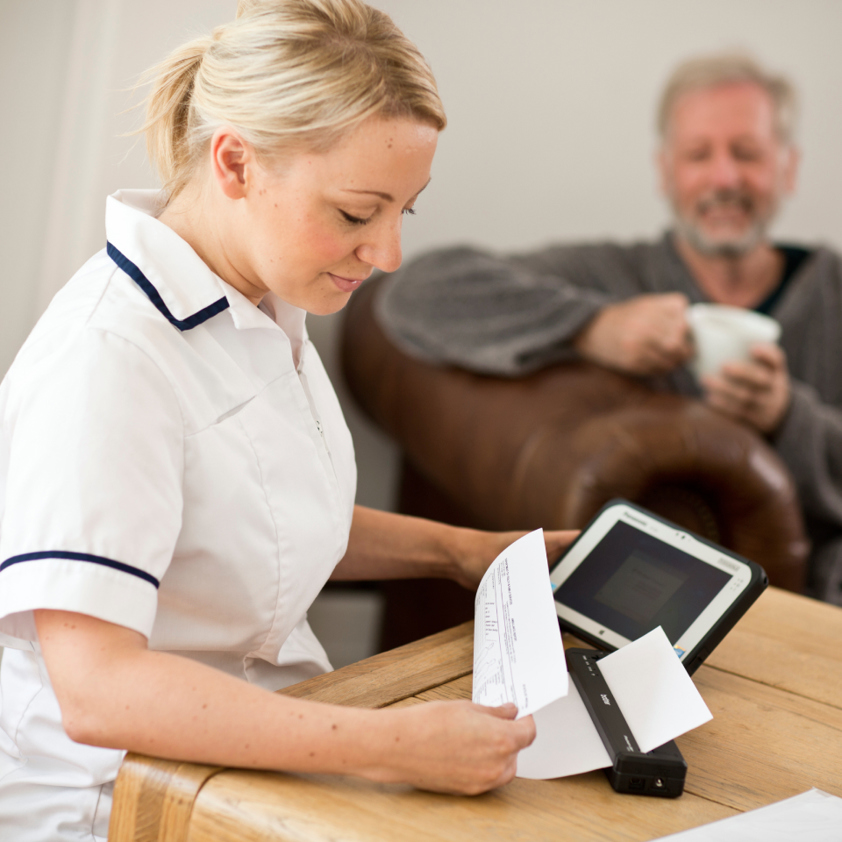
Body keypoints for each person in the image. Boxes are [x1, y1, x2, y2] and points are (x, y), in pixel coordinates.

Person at [0, 2, 575, 839]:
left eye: (404, 211)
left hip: (252, 756)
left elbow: (254, 516)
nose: (388, 254)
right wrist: (392, 748)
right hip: (116, 799)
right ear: (236, 163)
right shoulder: (109, 360)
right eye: (356, 213)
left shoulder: (261, 299)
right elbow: (99, 691)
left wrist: (464, 553)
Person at [376, 52, 842, 606]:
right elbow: (416, 291)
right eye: (698, 155)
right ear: (665, 171)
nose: (724, 177)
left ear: (788, 167)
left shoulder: (831, 291)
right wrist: (593, 327)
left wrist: (787, 418)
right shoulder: (614, 277)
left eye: (747, 153)